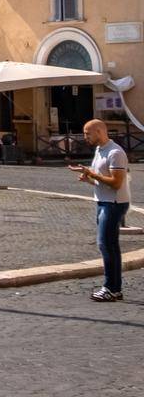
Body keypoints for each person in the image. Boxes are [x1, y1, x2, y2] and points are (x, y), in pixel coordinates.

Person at [70, 118, 130, 302]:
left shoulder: (115, 152)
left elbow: (116, 182)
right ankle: (115, 288)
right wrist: (88, 178)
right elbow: (102, 179)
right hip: (104, 202)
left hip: (114, 203)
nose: (85, 137)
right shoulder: (99, 150)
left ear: (99, 131)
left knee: (105, 245)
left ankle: (110, 287)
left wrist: (92, 174)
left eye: (88, 133)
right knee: (110, 246)